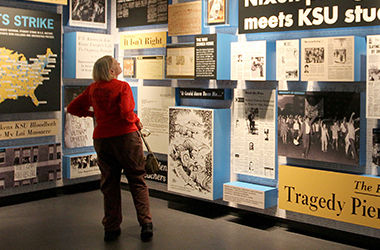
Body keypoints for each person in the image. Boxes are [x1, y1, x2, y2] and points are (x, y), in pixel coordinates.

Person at [67, 55, 153, 242]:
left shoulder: (93, 88)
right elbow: (126, 113)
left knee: (109, 183)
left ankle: (111, 228)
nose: (120, 64)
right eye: (116, 63)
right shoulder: (122, 87)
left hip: (103, 140)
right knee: (137, 179)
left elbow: (72, 107)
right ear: (111, 70)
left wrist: (92, 114)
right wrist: (136, 121)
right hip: (126, 139)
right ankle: (146, 224)